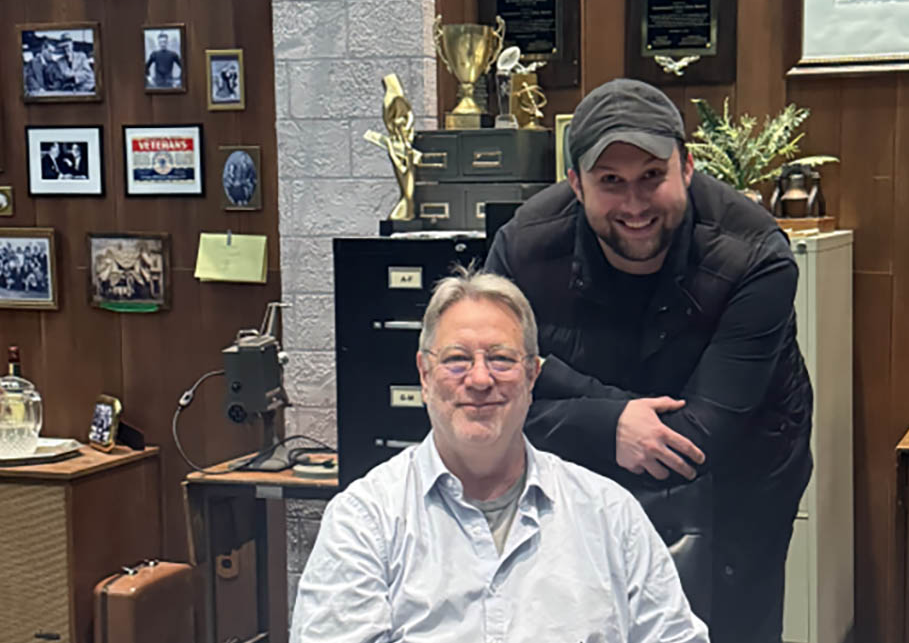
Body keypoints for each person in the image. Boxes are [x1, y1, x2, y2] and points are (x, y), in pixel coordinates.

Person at [485, 78, 814, 643]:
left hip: (740, 472)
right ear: (575, 184)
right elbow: (482, 393)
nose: (634, 204)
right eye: (611, 181)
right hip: (583, 475)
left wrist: (554, 386)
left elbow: (697, 438)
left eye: (651, 177)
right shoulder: (523, 249)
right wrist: (610, 420)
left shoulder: (756, 255)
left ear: (686, 167)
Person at [292, 268, 708, 643]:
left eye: (501, 359)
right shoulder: (365, 520)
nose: (479, 378)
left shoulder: (609, 515)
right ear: (423, 374)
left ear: (532, 376)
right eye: (456, 360)